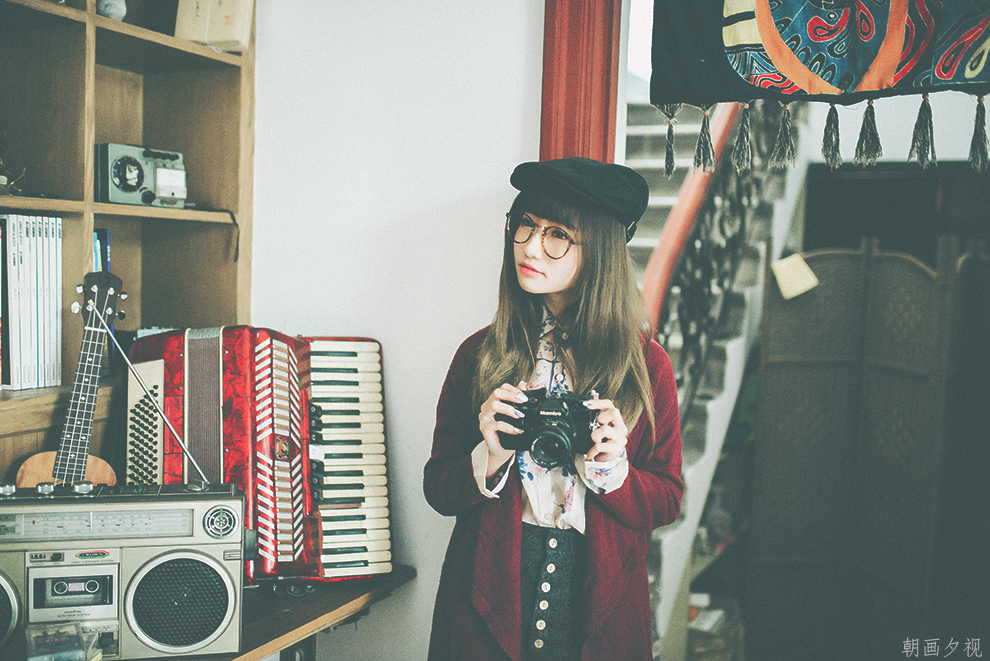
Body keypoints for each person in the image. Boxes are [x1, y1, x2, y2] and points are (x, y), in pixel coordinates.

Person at [424, 157, 684, 661]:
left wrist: (614, 470)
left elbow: (666, 500)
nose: (530, 246)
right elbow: (438, 488)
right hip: (490, 584)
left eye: (558, 234)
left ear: (600, 252)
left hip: (597, 590)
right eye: (525, 224)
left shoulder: (645, 366)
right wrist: (490, 456)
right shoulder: (480, 354)